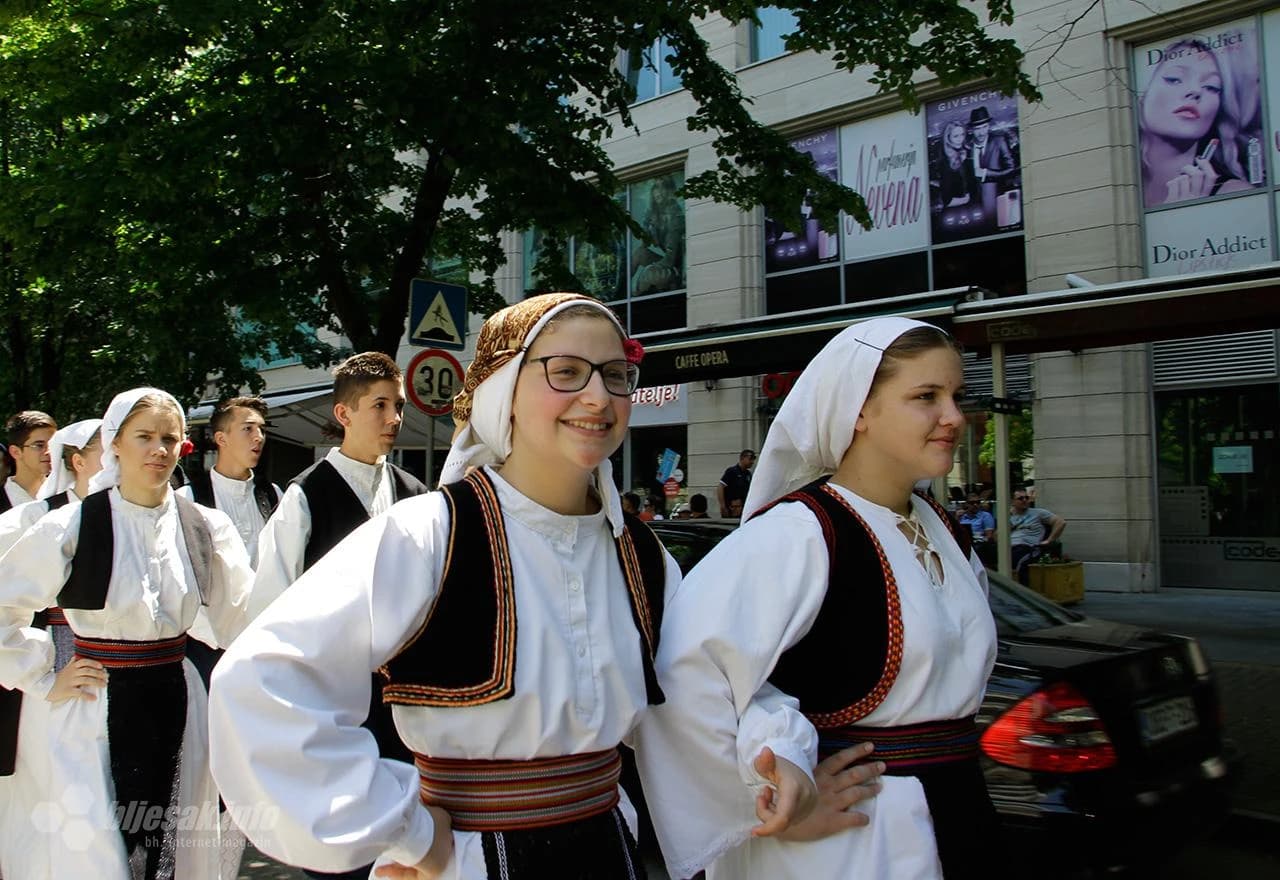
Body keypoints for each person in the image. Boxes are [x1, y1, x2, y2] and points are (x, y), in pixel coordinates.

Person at [209, 293, 682, 879]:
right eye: (565, 372)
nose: (598, 396)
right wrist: (405, 829)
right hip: (470, 858)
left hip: (609, 851)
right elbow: (263, 678)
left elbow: (700, 694)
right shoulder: (429, 533)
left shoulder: (639, 553)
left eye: (617, 374)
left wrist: (775, 764)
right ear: (503, 389)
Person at [634, 317, 999, 880]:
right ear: (858, 409)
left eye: (956, 395)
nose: (953, 416)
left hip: (960, 813)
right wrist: (759, 800)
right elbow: (681, 675)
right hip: (856, 842)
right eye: (926, 396)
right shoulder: (800, 533)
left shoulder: (944, 530)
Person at [0, 388, 254, 880]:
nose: (159, 449)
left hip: (176, 697)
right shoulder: (74, 523)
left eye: (169, 439)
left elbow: (243, 620)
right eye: (144, 437)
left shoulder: (204, 525)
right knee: (100, 850)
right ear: (115, 443)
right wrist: (42, 675)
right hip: (95, 702)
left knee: (173, 841)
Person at [248, 352, 427, 880]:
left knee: (406, 843)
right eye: (379, 406)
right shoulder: (305, 497)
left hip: (405, 703)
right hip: (333, 702)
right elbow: (268, 609)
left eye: (397, 405)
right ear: (343, 413)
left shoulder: (416, 495)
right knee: (342, 850)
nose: (394, 418)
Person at [0, 418, 102, 879]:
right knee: (50, 814)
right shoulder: (32, 520)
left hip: (122, 689)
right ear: (78, 462)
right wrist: (41, 677)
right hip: (54, 694)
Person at [1139, 37, 1255, 207]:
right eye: (1174, 79)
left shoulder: (1237, 195)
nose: (1195, 91)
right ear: (1141, 95)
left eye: (1211, 87)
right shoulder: (1121, 191)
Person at [2, 411, 57, 512]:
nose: (48, 452)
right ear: (16, 452)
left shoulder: (65, 496)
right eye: (39, 445)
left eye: (53, 445)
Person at [1009, 489, 1067, 584]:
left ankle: (1024, 594)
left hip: (1027, 547)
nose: (1024, 500)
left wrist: (1049, 540)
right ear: (1013, 502)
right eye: (1020, 498)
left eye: (1026, 497)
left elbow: (1061, 522)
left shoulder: (1038, 513)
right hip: (1007, 548)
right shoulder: (1009, 517)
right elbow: (996, 536)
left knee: (1020, 561)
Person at [936, 120, 977, 207]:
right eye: (956, 136)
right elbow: (946, 200)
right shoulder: (945, 162)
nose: (960, 139)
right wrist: (966, 200)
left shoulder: (968, 153)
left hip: (975, 207)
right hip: (957, 211)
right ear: (948, 138)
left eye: (962, 134)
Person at [958, 492, 996, 567]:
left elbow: (989, 536)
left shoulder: (985, 516)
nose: (975, 505)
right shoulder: (962, 517)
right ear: (966, 504)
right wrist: (957, 518)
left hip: (979, 544)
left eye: (978, 502)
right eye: (972, 503)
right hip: (964, 542)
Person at [717, 449, 755, 518]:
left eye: (753, 459)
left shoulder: (748, 474)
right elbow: (721, 487)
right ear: (742, 458)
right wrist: (723, 506)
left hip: (742, 509)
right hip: (731, 509)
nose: (752, 462)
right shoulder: (732, 471)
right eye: (750, 459)